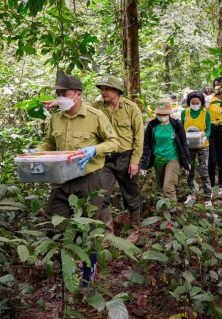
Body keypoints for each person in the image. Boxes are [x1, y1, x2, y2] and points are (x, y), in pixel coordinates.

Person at [31, 71, 120, 290]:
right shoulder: (56, 118)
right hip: (62, 180)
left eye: (64, 93)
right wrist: (36, 152)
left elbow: (114, 142)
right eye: (58, 93)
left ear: (77, 95)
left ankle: (89, 273)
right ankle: (65, 272)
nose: (60, 97)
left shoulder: (95, 116)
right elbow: (48, 142)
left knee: (88, 228)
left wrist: (94, 149)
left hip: (89, 179)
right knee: (56, 224)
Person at [93, 75, 144, 245]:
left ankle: (134, 231)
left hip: (126, 158)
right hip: (106, 160)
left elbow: (139, 136)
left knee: (131, 196)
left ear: (117, 90)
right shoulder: (97, 107)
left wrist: (135, 161)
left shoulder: (131, 108)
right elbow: (80, 108)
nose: (103, 92)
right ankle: (107, 235)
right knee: (101, 196)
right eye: (102, 89)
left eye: (107, 89)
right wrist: (59, 103)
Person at [139, 101, 191, 209]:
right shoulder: (152, 125)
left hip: (173, 158)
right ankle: (167, 208)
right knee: (162, 186)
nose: (162, 116)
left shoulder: (176, 124)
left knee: (168, 186)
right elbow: (146, 145)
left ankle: (172, 212)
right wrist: (143, 164)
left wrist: (187, 163)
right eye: (160, 114)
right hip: (158, 159)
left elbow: (183, 144)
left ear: (169, 114)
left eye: (164, 114)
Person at [181, 91, 212, 207]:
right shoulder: (185, 112)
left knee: (204, 172)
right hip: (189, 146)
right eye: (192, 103)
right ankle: (192, 193)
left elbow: (209, 129)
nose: (194, 105)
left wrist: (206, 137)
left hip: (202, 146)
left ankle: (208, 196)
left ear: (201, 103)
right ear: (189, 102)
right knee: (189, 171)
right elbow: (181, 128)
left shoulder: (205, 113)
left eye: (197, 103)